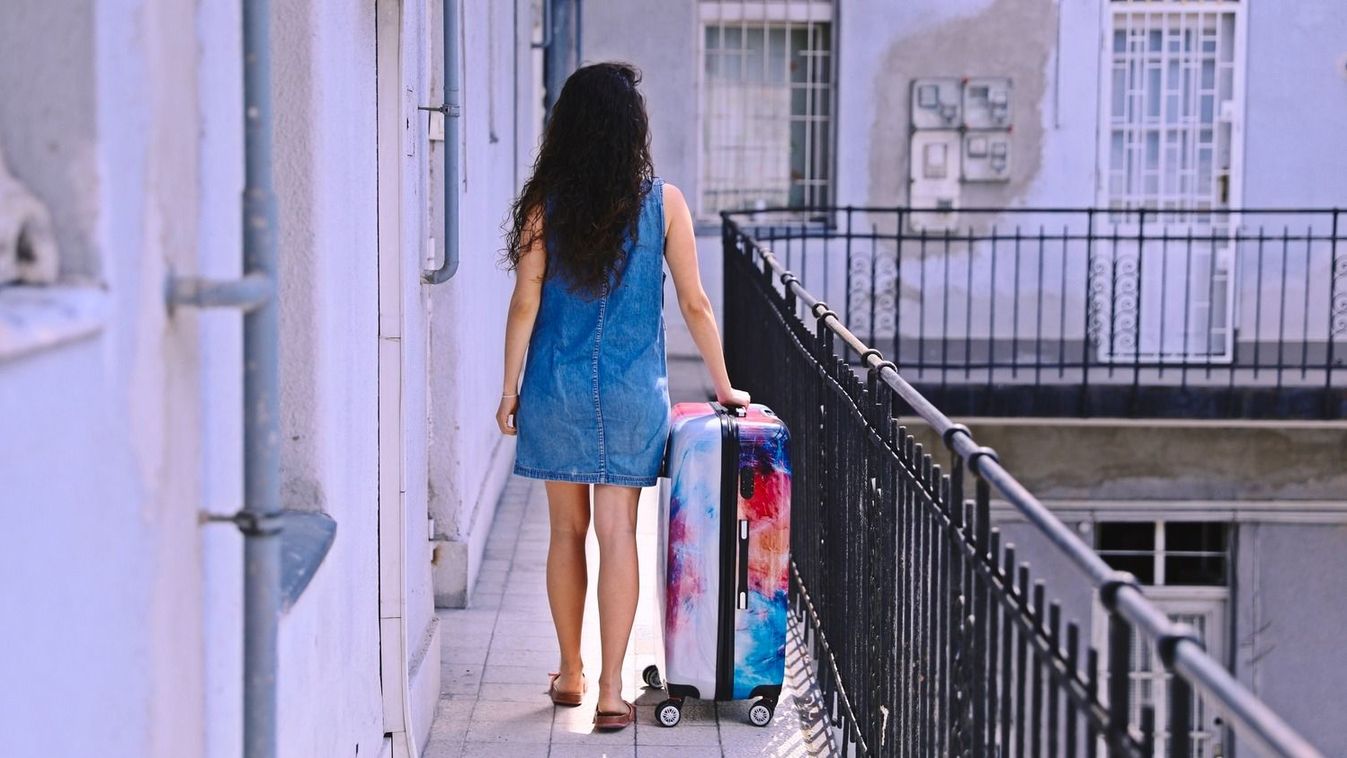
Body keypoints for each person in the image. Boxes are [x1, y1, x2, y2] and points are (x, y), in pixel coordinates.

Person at [494, 61, 749, 731]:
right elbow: (695, 303)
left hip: (556, 389)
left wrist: (508, 387)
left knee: (565, 532)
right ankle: (611, 691)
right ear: (632, 130)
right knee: (618, 534)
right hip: (635, 394)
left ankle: (569, 672)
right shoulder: (664, 203)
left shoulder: (545, 206)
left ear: (568, 128)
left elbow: (524, 302)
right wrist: (724, 385)